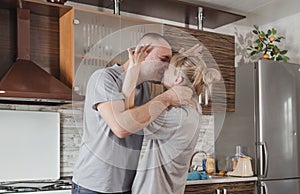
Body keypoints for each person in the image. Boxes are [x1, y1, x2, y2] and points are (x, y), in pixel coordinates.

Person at [71, 33, 194, 194]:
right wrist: (167, 98)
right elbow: (121, 127)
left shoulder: (145, 88)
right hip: (95, 186)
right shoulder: (104, 78)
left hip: (125, 186)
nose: (167, 67)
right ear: (142, 52)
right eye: (163, 60)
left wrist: (188, 67)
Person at [122, 44, 221, 194]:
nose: (163, 69)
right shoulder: (193, 109)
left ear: (177, 79)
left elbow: (129, 119)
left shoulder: (177, 116)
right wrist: (182, 59)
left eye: (167, 68)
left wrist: (133, 69)